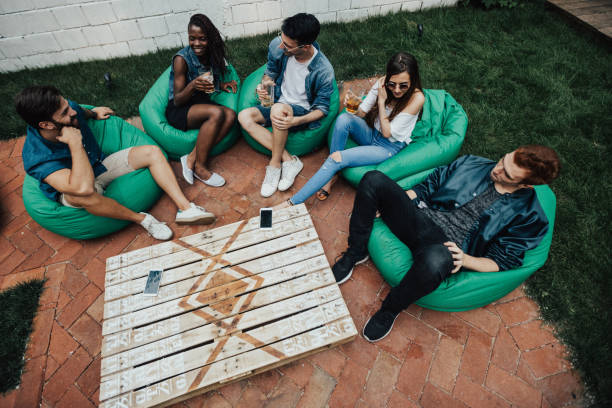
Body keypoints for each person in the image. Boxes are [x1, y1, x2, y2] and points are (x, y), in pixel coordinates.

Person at [332, 145, 561, 342]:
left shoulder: (530, 217)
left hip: (444, 248)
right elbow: (427, 187)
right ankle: (356, 252)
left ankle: (389, 311)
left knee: (437, 260)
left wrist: (466, 259)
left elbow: (504, 261)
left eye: (508, 174)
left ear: (525, 186)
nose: (497, 169)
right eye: (503, 160)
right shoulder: (471, 163)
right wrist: (394, 203)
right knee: (373, 178)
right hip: (418, 218)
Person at [16, 85, 217, 241]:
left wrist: (93, 113)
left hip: (98, 165)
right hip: (75, 187)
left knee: (152, 153)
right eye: (64, 113)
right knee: (86, 197)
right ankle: (143, 220)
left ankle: (185, 209)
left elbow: (80, 110)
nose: (72, 112)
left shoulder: (71, 111)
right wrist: (75, 144)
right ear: (46, 125)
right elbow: (82, 188)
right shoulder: (38, 158)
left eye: (67, 106)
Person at [277, 52, 424, 207]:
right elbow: (361, 113)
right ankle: (333, 173)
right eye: (392, 84)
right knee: (344, 119)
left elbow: (387, 132)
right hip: (372, 133)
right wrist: (352, 105)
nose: (397, 90)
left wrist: (381, 102)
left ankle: (291, 203)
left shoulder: (417, 98)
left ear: (412, 81)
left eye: (403, 85)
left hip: (387, 147)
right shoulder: (382, 84)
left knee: (335, 159)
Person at [238, 13, 335, 197]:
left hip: (301, 111)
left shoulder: (323, 70)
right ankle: (289, 160)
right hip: (278, 101)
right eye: (282, 40)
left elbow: (322, 109)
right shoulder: (278, 46)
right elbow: (270, 72)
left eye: (288, 46)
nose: (281, 46)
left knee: (278, 110)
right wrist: (264, 84)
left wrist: (296, 121)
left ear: (305, 46)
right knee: (244, 117)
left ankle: (274, 165)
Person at [167, 13, 238, 188]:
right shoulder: (181, 60)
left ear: (209, 38)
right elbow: (177, 100)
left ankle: (191, 157)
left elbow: (208, 81)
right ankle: (200, 166)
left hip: (198, 102)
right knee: (217, 113)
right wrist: (192, 85)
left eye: (202, 39)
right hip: (180, 109)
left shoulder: (211, 53)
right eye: (192, 39)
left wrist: (221, 85)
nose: (196, 44)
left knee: (229, 115)